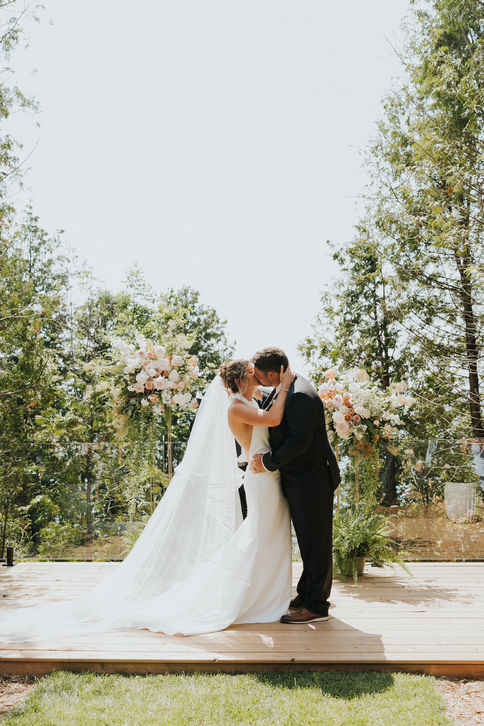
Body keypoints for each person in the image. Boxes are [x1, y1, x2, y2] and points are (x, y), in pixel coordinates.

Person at [0, 360, 295, 640]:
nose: (259, 377)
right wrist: (285, 383)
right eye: (253, 373)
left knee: (264, 534)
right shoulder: (235, 407)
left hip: (265, 473)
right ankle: (249, 592)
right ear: (242, 378)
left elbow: (266, 401)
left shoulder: (250, 398)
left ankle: (263, 590)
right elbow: (273, 418)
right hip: (259, 475)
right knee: (255, 535)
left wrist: (280, 383)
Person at [250, 347, 340, 624]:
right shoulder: (286, 388)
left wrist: (267, 461)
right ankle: (307, 593)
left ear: (272, 373)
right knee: (308, 540)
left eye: (258, 375)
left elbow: (298, 443)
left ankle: (316, 606)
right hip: (302, 479)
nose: (256, 379)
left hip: (312, 480)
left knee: (316, 542)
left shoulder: (300, 394)